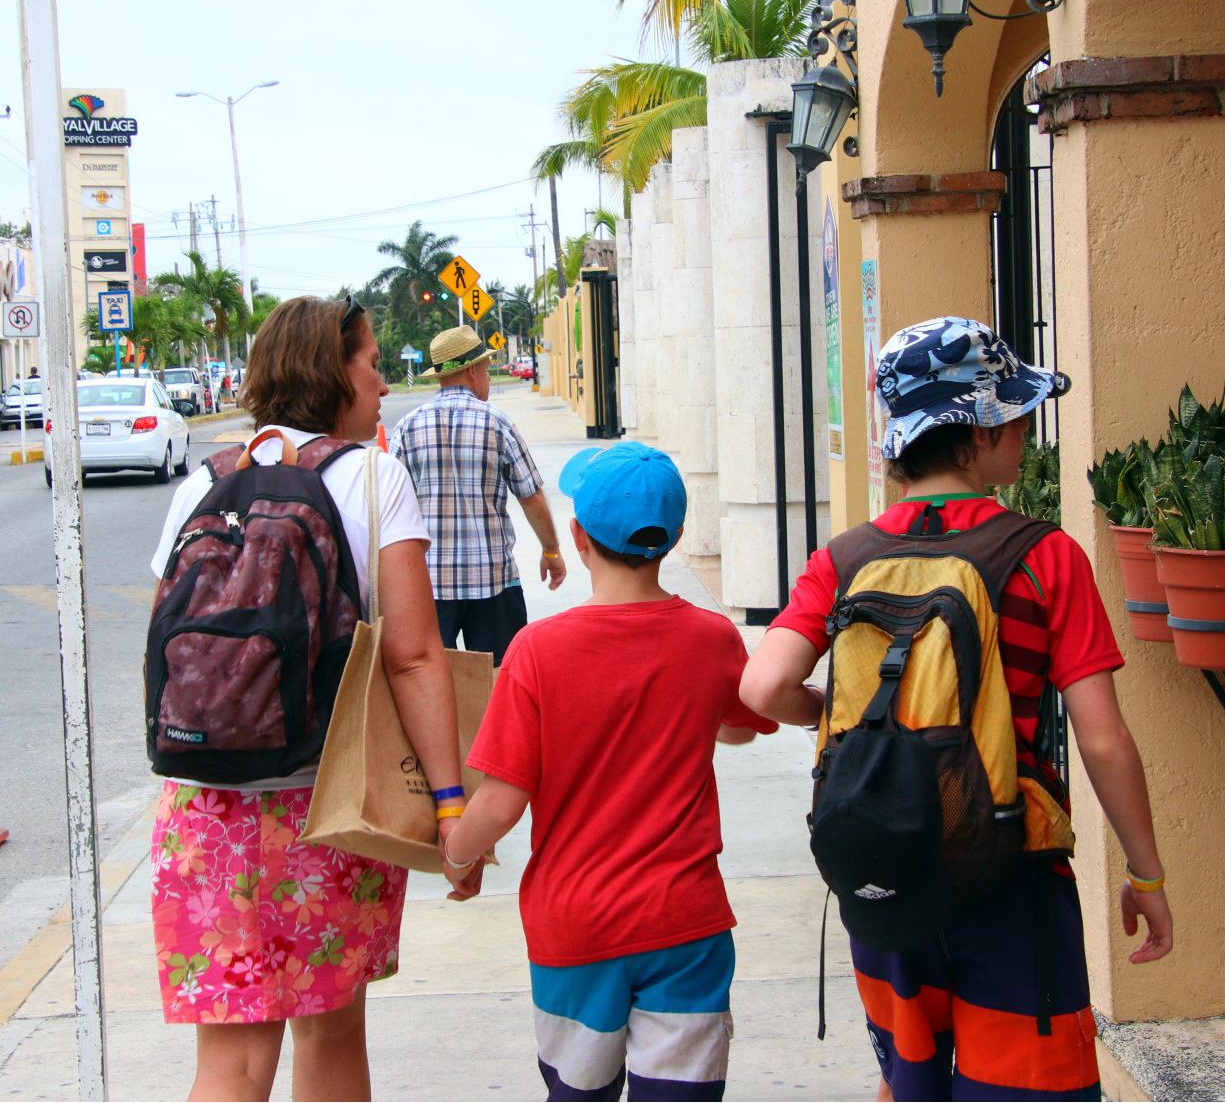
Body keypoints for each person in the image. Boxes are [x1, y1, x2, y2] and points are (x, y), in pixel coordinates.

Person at [738, 317, 1172, 1102]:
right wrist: (1146, 871)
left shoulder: (843, 558)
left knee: (910, 1085)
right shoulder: (1045, 556)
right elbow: (1103, 738)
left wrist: (839, 718)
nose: (1025, 429)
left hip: (885, 876)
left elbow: (760, 688)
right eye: (1012, 414)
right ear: (972, 436)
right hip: (1010, 877)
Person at [146, 295, 476, 1102]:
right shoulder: (370, 475)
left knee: (227, 1062)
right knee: (330, 1036)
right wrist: (448, 801)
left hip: (202, 808)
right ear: (334, 371)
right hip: (326, 808)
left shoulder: (203, 480)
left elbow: (167, 635)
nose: (380, 385)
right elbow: (413, 656)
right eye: (370, 363)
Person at [447, 442, 778, 1102]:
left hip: (576, 928)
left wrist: (458, 853)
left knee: (578, 1093)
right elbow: (739, 726)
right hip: (687, 921)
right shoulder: (711, 638)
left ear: (578, 536)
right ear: (677, 536)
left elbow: (503, 800)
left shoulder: (537, 652)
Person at [389, 324, 565, 665]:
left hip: (429, 587)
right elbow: (531, 497)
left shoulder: (407, 428)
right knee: (501, 684)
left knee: (436, 686)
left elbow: (390, 508)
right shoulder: (497, 423)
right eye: (485, 368)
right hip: (493, 582)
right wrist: (552, 551)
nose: (486, 375)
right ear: (471, 371)